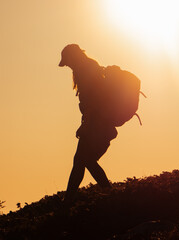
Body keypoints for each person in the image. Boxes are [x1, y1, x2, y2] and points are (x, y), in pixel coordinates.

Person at [59, 44, 118, 204]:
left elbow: (92, 101)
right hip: (100, 123)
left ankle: (68, 203)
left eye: (68, 61)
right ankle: (109, 192)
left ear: (74, 56)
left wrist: (85, 124)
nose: (68, 65)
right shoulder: (90, 67)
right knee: (85, 160)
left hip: (97, 125)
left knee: (81, 160)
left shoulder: (84, 70)